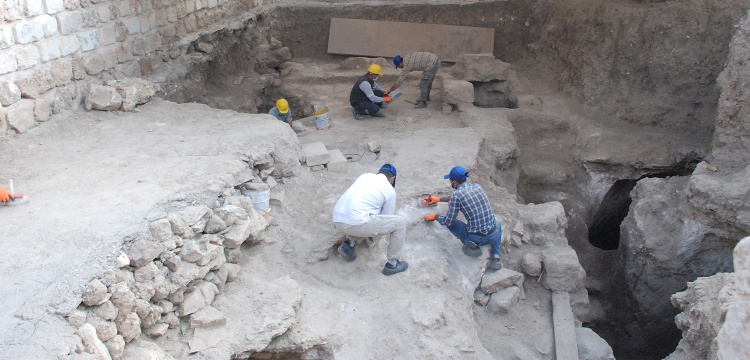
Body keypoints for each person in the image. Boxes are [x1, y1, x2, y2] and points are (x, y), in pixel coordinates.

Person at [332, 164, 408, 276]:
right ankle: (393, 264)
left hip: (337, 219)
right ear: (392, 179)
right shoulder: (389, 189)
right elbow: (386, 217)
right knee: (399, 223)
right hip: (356, 223)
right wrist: (372, 238)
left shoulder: (364, 176)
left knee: (365, 212)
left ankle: (349, 244)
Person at [424, 166, 503, 270]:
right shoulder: (477, 187)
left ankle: (473, 246)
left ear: (454, 182)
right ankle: (496, 257)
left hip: (475, 238)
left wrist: (435, 216)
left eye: (450, 180)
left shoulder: (457, 195)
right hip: (493, 234)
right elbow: (459, 198)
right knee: (498, 225)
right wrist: (438, 199)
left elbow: (448, 221)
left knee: (452, 223)